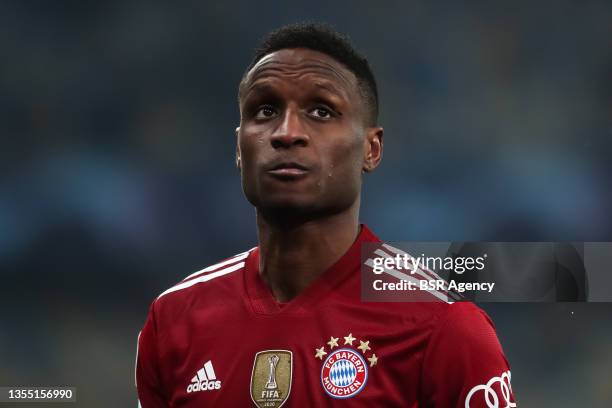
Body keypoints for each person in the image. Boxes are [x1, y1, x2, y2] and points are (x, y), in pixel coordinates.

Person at [136, 23, 516, 407]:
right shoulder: (172, 320)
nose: (286, 133)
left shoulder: (442, 327)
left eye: (321, 111)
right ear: (239, 147)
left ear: (372, 149)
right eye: (265, 110)